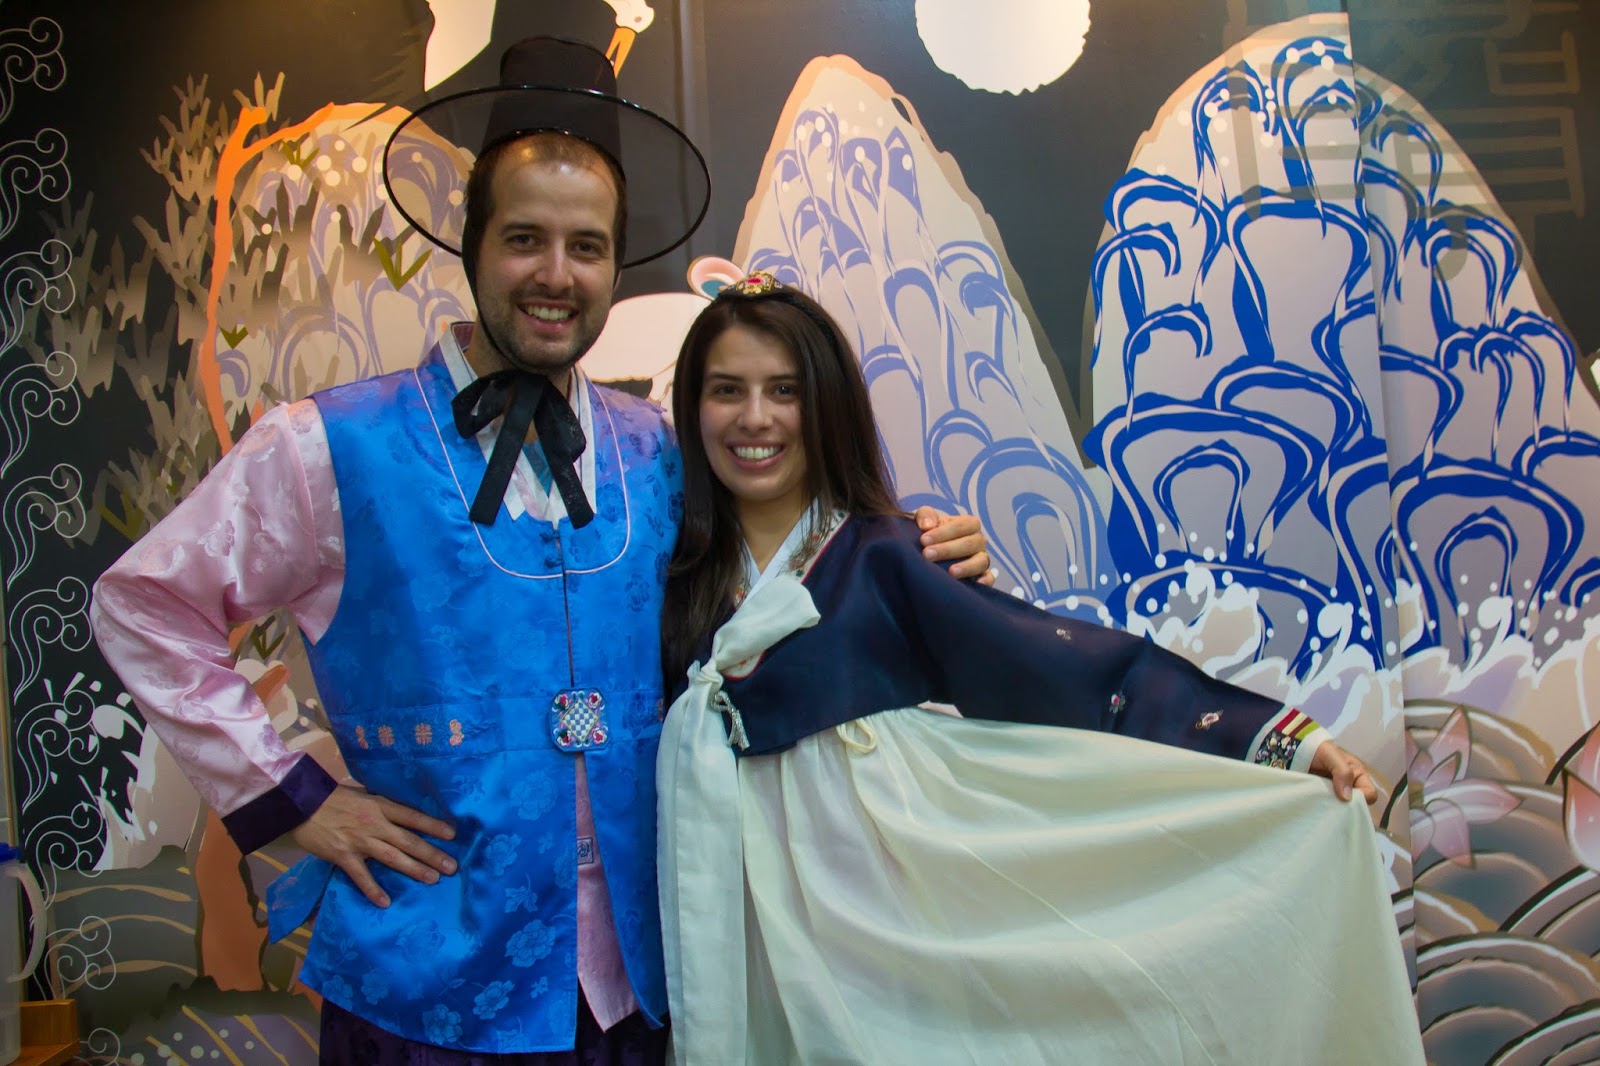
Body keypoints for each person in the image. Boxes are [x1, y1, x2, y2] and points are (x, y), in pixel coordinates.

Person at [89, 39, 989, 1063]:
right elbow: (143, 605)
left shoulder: (659, 449)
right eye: (525, 238)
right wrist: (296, 802)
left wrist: (918, 553)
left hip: (645, 988)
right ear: (472, 245)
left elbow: (782, 582)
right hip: (426, 995)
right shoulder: (330, 446)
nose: (556, 276)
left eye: (587, 246)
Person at [655, 272, 1427, 1066]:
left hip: (886, 932)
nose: (756, 418)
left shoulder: (888, 557)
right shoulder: (664, 575)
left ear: (826, 404)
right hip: (732, 924)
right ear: (691, 406)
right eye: (726, 390)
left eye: (785, 390)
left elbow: (1070, 670)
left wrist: (1282, 744)